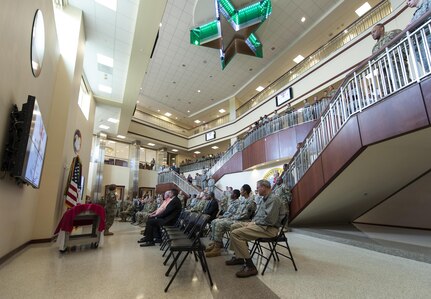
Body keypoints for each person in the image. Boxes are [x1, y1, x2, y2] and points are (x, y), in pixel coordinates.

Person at [225, 179, 285, 278]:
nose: (256, 190)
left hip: (269, 229)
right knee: (234, 226)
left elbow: (270, 221)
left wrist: (253, 223)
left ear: (264, 187)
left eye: (258, 188)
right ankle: (239, 256)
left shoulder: (273, 199)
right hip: (261, 225)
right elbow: (258, 216)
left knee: (236, 233)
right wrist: (252, 223)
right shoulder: (264, 198)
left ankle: (250, 266)